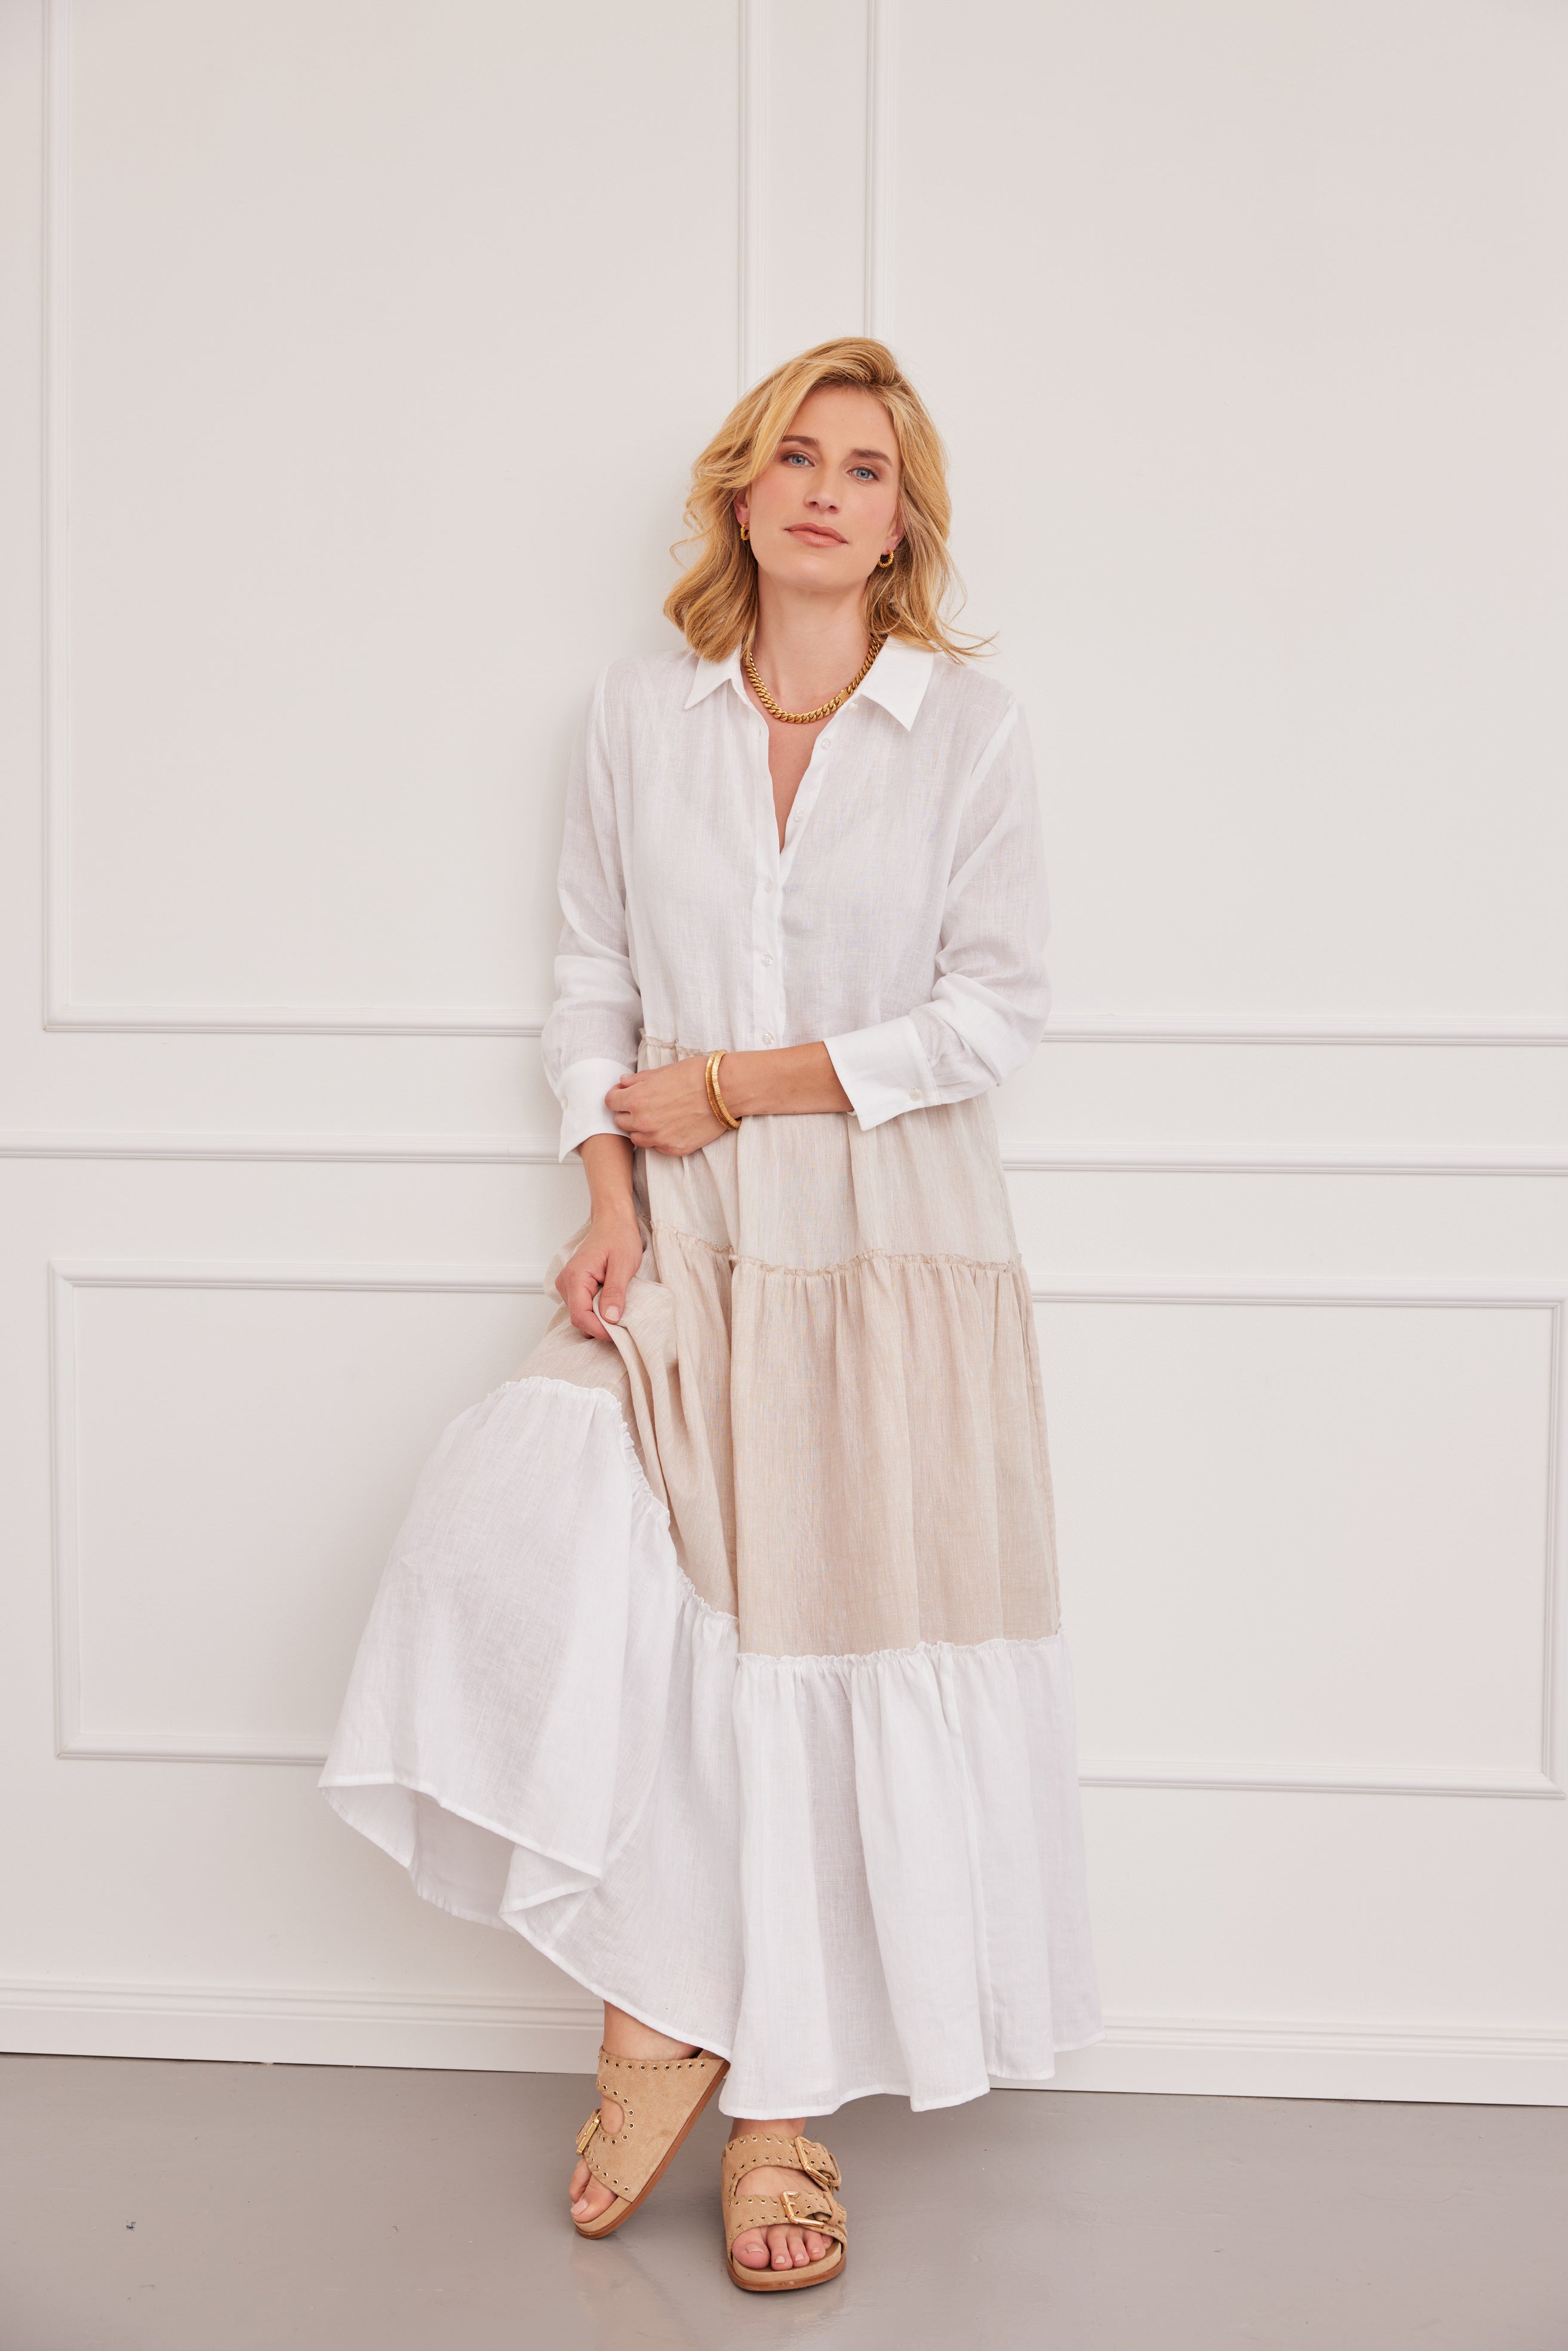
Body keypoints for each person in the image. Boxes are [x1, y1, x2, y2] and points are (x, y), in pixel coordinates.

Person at [318, 335, 1102, 2294]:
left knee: (816, 1643)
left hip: (884, 1240)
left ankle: (779, 2105)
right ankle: (665, 2005)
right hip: (676, 1228)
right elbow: (588, 977)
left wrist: (738, 1086)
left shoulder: (967, 729)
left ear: (901, 522)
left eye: (866, 467)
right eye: (794, 456)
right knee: (552, 1543)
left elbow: (995, 1009)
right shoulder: (635, 717)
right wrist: (606, 1194)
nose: (827, 489)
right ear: (740, 494)